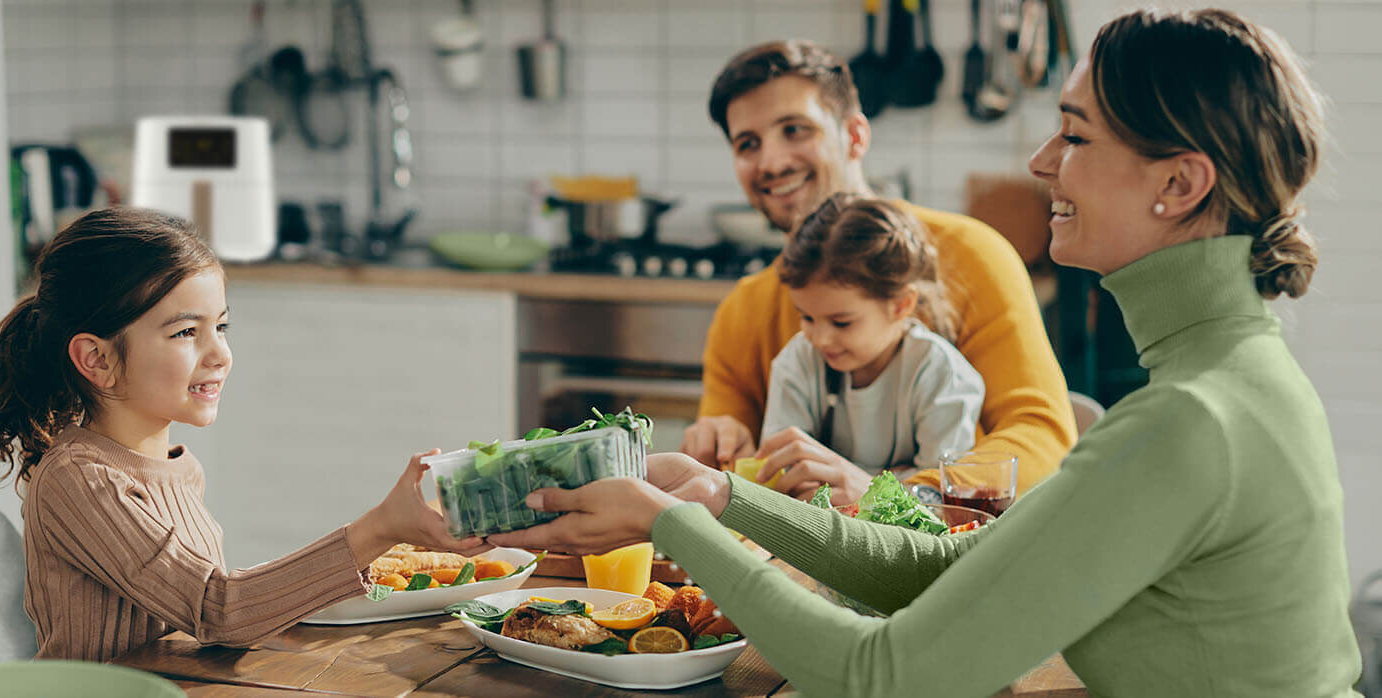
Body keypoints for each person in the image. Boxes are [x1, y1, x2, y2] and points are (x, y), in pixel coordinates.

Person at [492, 10, 1361, 696]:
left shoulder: (1188, 418)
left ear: (1179, 184)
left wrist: (670, 521)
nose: (1040, 160)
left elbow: (885, 678)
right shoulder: (1230, 379)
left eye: (1076, 135)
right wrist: (724, 498)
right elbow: (963, 563)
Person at [0, 209, 484, 661]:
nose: (219, 354)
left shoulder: (180, 469)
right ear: (96, 359)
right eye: (186, 333)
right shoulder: (79, 482)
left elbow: (205, 613)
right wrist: (378, 529)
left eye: (222, 327)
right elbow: (218, 610)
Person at [680, 40, 1074, 504]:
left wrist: (893, 498)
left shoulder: (974, 256)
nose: (772, 162)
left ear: (855, 136)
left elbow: (1041, 433)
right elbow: (735, 481)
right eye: (748, 144)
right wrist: (720, 443)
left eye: (795, 129)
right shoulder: (742, 311)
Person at [758, 193, 982, 495]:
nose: (820, 339)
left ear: (901, 305)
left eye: (842, 323)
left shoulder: (940, 375)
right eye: (807, 317)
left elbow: (941, 503)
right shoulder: (797, 361)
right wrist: (901, 480)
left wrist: (866, 490)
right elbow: (782, 478)